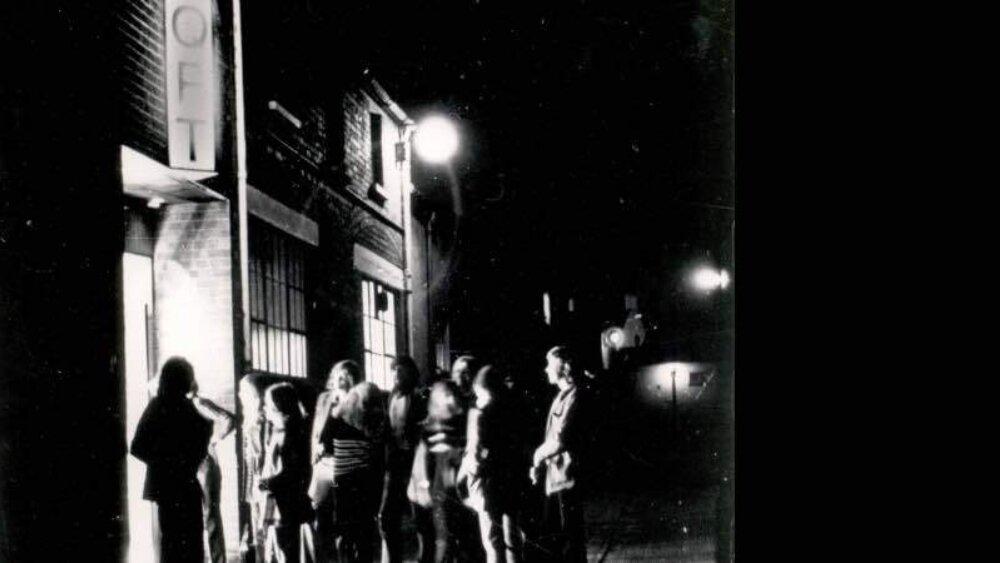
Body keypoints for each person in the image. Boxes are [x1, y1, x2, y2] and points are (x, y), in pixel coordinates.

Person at [131, 357, 212, 563]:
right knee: (192, 542)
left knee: (171, 543)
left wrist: (163, 463)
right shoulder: (188, 409)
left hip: (165, 486)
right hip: (186, 483)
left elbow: (137, 447)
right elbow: (202, 442)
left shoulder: (157, 406)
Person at [529, 347, 588, 563]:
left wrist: (537, 457)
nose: (546, 369)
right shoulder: (564, 396)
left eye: (549, 364)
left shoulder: (574, 397)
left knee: (569, 537)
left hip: (566, 477)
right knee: (564, 537)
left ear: (563, 366)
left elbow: (560, 440)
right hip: (557, 477)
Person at [461, 365, 525, 563]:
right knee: (512, 538)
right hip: (511, 480)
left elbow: (479, 452)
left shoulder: (481, 414)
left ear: (482, 389)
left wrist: (472, 466)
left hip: (488, 484)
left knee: (492, 541)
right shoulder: (514, 409)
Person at [421, 372, 481, 563]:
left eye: (451, 395)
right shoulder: (430, 425)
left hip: (460, 485)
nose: (448, 399)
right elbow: (425, 460)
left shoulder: (466, 420)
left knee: (464, 539)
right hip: (440, 488)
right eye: (444, 395)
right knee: (443, 538)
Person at [330, 382, 388, 563]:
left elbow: (327, 445)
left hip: (341, 481)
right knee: (365, 535)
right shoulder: (376, 424)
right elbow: (378, 462)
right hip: (364, 482)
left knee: (344, 531)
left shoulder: (338, 419)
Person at [309, 361, 359, 562]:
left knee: (344, 516)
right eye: (338, 375)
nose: (341, 379)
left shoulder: (358, 399)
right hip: (324, 463)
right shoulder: (324, 399)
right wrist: (315, 450)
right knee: (320, 512)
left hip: (347, 463)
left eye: (346, 375)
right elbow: (316, 429)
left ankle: (345, 556)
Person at [379, 356, 428, 563]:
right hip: (395, 463)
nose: (396, 374)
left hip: (416, 463)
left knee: (421, 516)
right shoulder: (392, 396)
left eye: (401, 369)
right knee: (388, 517)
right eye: (394, 369)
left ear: (410, 372)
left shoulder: (419, 396)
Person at [259, 382, 315, 563]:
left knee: (288, 551)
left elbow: (293, 472)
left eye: (268, 404)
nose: (265, 409)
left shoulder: (292, 434)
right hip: (281, 502)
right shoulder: (280, 431)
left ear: (279, 407)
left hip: (288, 504)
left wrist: (267, 483)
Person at [191, 380, 237, 563]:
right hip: (194, 464)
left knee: (210, 514)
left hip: (204, 464)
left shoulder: (198, 402)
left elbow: (229, 419)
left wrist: (214, 439)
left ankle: (218, 559)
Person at [240, 374, 270, 563]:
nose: (239, 396)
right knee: (257, 532)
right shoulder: (250, 420)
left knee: (263, 530)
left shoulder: (261, 420)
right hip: (254, 484)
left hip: (262, 483)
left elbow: (262, 455)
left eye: (243, 392)